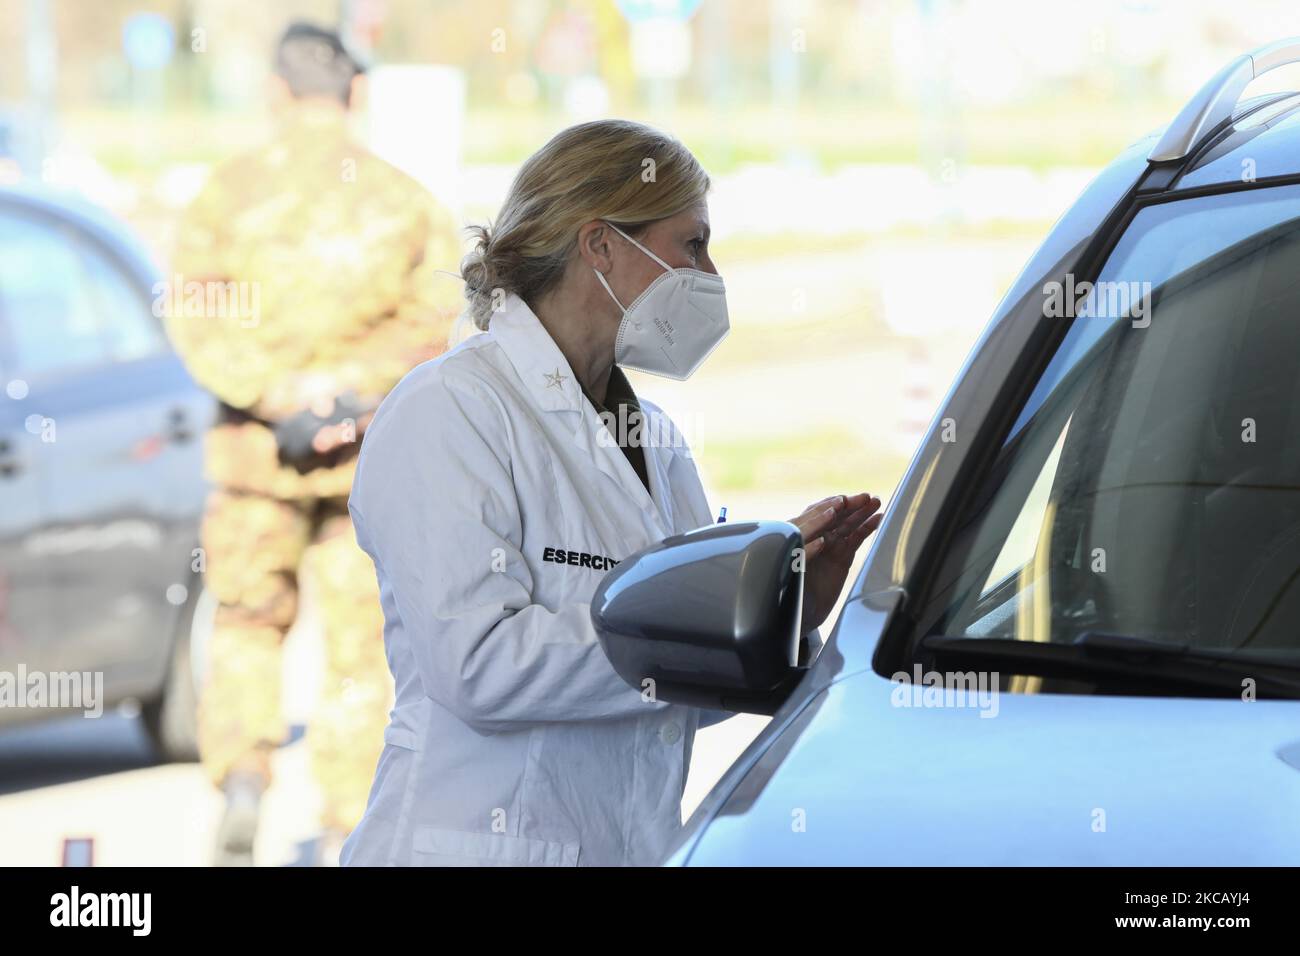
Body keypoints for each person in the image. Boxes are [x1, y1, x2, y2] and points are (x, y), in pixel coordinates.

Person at [341, 119, 882, 867]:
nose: (712, 276)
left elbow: (675, 704)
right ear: (600, 246)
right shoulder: (452, 410)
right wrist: (696, 625)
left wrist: (781, 616)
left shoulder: (653, 438)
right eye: (691, 245)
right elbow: (480, 665)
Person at [165, 21, 462, 865]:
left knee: (247, 625)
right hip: (359, 464)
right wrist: (347, 394)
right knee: (360, 649)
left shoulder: (227, 195)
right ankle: (344, 826)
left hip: (256, 463)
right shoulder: (404, 200)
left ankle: (245, 781)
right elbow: (435, 318)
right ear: (356, 94)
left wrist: (277, 392)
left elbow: (195, 311)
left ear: (275, 91)